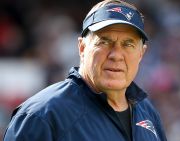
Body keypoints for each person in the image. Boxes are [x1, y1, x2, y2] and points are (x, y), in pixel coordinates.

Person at [3, 0, 167, 141]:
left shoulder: (147, 112)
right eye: (104, 42)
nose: (116, 55)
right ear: (82, 47)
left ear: (141, 54)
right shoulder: (42, 116)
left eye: (128, 44)